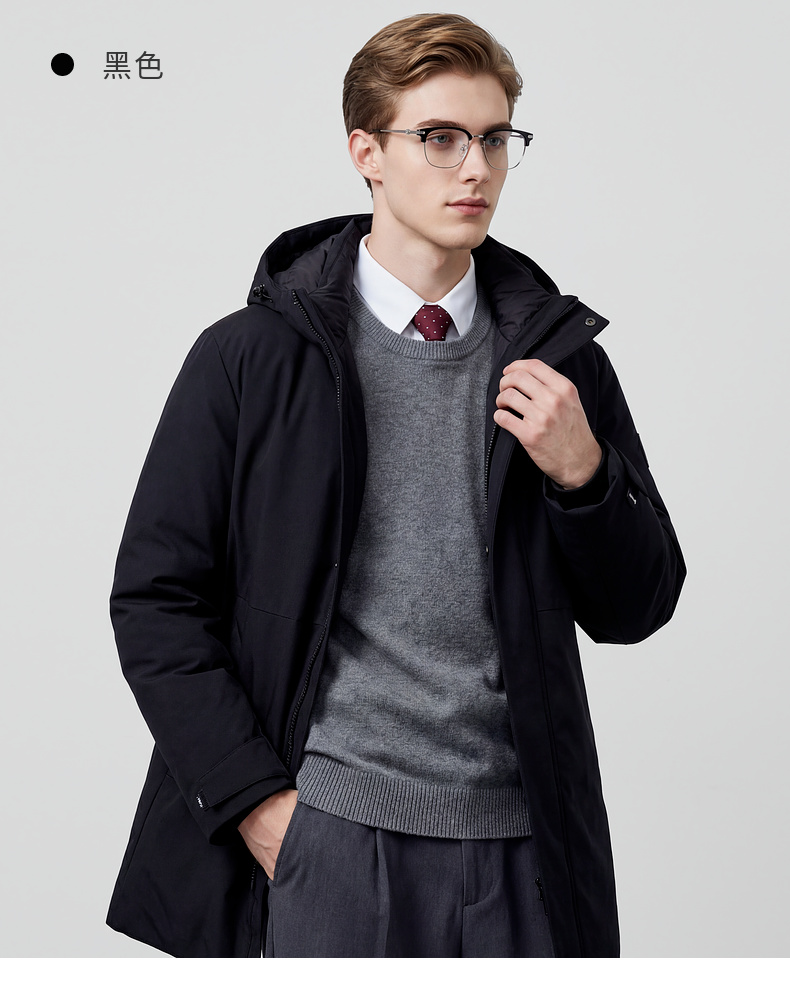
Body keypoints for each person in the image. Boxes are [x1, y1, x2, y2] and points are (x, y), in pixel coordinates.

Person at [107, 12, 686, 958]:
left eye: (495, 139)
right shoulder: (253, 357)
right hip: (331, 836)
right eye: (441, 138)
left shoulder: (559, 362)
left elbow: (639, 607)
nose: (476, 169)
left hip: (526, 846)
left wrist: (585, 475)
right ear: (367, 153)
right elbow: (156, 600)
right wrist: (257, 805)